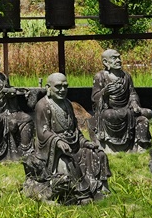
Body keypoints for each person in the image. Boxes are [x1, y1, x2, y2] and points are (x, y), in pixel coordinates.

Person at [23, 72, 110, 205]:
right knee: (68, 163)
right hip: (55, 150)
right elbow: (42, 131)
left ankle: (99, 189)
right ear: (48, 88)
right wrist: (57, 142)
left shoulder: (68, 103)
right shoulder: (43, 105)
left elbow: (74, 130)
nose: (62, 90)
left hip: (74, 143)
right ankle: (78, 194)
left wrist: (85, 142)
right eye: (58, 86)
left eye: (65, 86)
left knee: (98, 154)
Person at [88, 49, 152, 152]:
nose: (118, 60)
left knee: (147, 114)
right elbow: (94, 97)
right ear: (105, 62)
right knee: (108, 115)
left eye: (119, 57)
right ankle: (110, 146)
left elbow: (132, 93)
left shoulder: (126, 76)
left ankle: (140, 145)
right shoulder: (100, 77)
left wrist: (134, 103)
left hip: (126, 109)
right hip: (110, 110)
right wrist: (104, 93)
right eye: (114, 58)